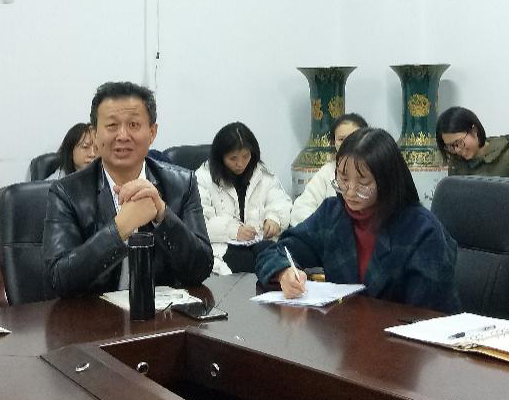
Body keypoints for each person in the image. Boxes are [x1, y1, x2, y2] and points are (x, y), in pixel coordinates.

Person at [255, 128, 460, 311]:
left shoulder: (421, 229)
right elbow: (275, 252)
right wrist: (283, 272)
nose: (350, 192)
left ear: (387, 181)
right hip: (344, 332)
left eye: (363, 183)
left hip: (402, 335)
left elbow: (428, 313)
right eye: (343, 179)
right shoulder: (332, 214)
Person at [42, 81, 213, 297]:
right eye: (112, 125)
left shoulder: (182, 184)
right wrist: (120, 229)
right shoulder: (66, 192)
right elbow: (58, 279)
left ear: (152, 132)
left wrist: (162, 215)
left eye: (133, 125)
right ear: (95, 134)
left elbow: (201, 269)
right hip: (95, 315)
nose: (122, 135)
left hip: (162, 313)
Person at [195, 122, 292, 275]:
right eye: (233, 158)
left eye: (246, 156)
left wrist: (274, 219)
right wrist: (233, 230)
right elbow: (199, 223)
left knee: (279, 263)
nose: (240, 164)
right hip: (222, 248)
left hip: (261, 244)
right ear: (220, 156)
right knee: (253, 268)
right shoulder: (203, 178)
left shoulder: (263, 174)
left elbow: (280, 201)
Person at [289, 113, 368, 226]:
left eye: (353, 138)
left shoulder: (373, 168)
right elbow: (301, 209)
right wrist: (322, 229)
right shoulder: (327, 172)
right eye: (341, 139)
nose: (347, 143)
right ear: (333, 142)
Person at [436, 107, 509, 183]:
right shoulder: (456, 164)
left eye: (458, 143)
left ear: (474, 130)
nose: (457, 150)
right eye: (450, 146)